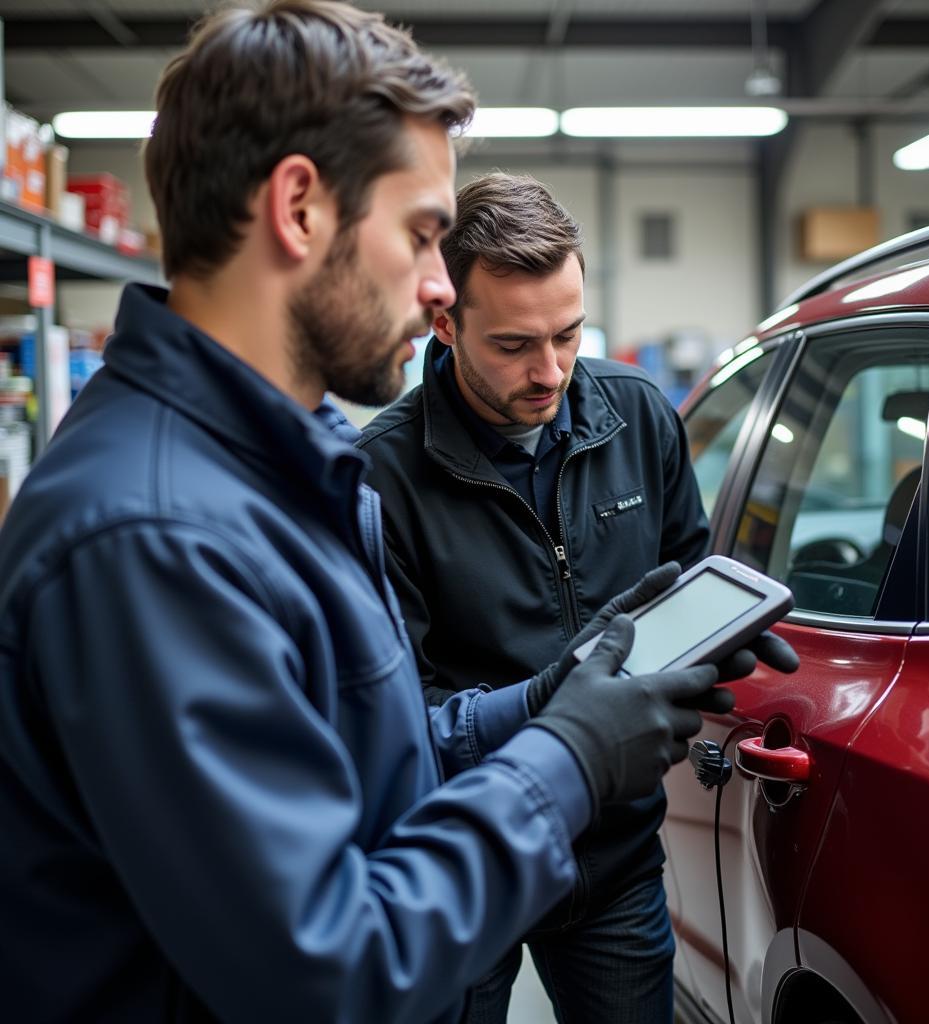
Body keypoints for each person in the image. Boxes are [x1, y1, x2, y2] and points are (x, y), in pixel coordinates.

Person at [0, 5, 763, 1022]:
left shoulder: (283, 473)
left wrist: (569, 692)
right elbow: (328, 968)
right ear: (301, 208)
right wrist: (570, 759)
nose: (438, 284)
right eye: (422, 233)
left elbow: (388, 747)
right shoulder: (156, 536)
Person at [358, 172, 798, 1023]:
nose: (550, 370)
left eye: (569, 333)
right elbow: (394, 721)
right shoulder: (381, 477)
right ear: (444, 323)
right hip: (461, 862)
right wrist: (549, 704)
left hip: (614, 856)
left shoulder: (639, 415)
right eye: (516, 344)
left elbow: (685, 571)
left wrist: (713, 640)